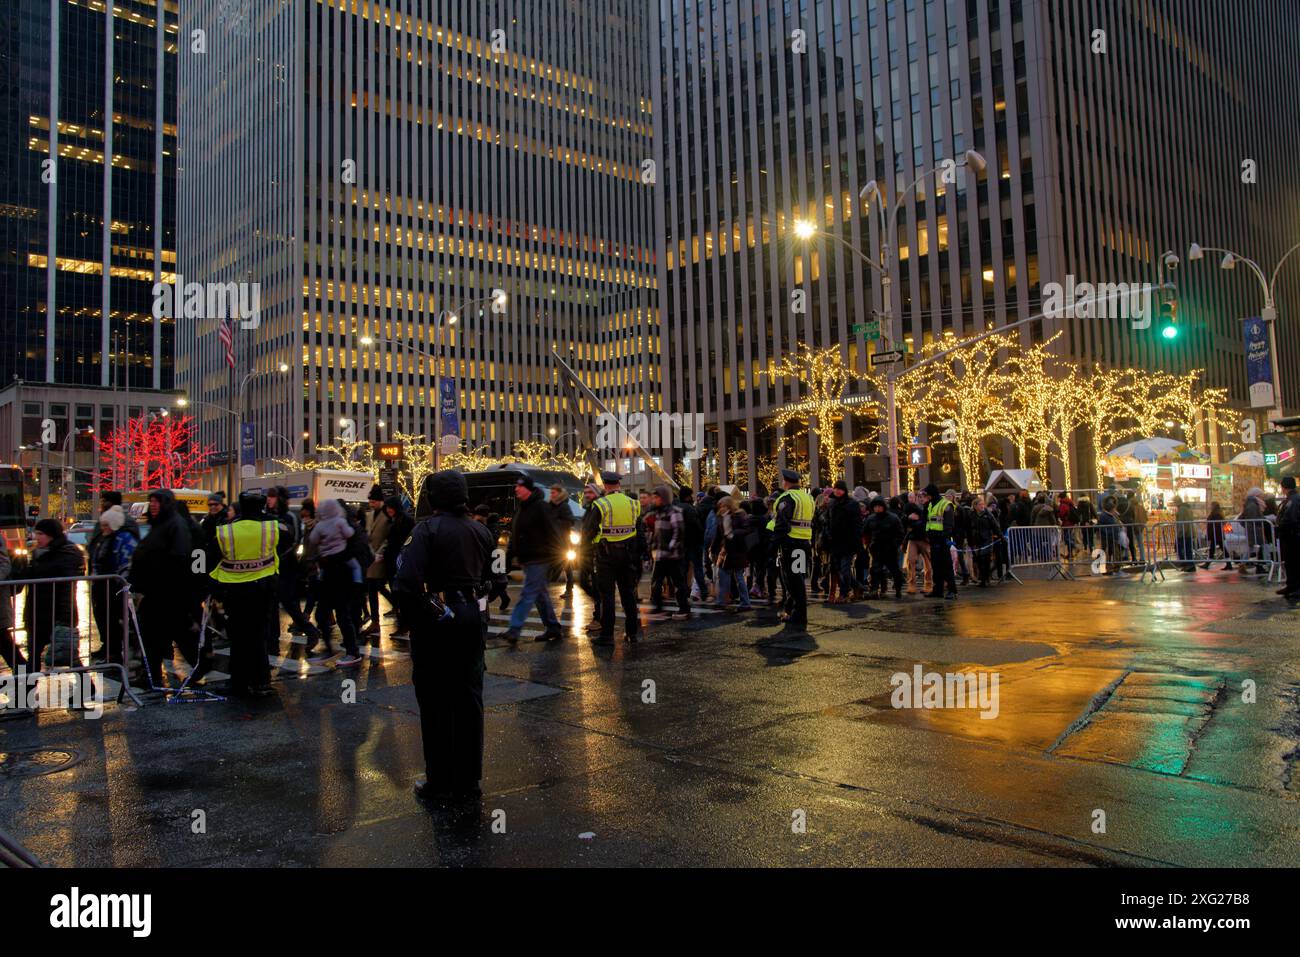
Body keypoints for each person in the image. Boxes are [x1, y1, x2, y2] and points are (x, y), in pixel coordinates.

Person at [393, 469, 495, 806]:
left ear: (433, 498)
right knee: (469, 700)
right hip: (472, 620)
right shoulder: (481, 531)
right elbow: (494, 582)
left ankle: (440, 780)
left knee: (436, 701)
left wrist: (426, 612)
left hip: (439, 621)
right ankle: (469, 779)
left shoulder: (426, 530)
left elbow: (406, 582)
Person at [208, 492, 282, 696]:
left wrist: (212, 585)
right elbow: (287, 542)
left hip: (235, 589)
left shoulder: (225, 532)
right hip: (263, 588)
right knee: (259, 636)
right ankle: (261, 681)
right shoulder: (271, 527)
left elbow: (210, 557)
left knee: (239, 637)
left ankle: (238, 681)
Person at [128, 491, 200, 688]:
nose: (152, 505)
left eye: (157, 501)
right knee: (154, 634)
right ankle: (151, 674)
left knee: (176, 633)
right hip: (156, 590)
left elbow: (180, 556)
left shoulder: (175, 525)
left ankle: (200, 664)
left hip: (168, 590)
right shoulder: (160, 524)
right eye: (151, 501)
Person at [16, 519, 86, 669]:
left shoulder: (66, 552)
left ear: (51, 535)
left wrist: (66, 619)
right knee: (33, 656)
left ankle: (89, 688)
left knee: (68, 656)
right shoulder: (39, 553)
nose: (36, 537)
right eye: (36, 533)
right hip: (37, 612)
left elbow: (67, 587)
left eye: (41, 534)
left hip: (56, 613)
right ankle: (25, 689)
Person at [504, 475, 564, 643]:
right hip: (527, 559)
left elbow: (554, 532)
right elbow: (516, 534)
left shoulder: (540, 507)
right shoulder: (523, 507)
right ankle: (553, 627)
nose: (516, 489)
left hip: (539, 558)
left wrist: (558, 557)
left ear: (528, 489)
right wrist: (510, 557)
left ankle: (514, 629)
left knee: (528, 593)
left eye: (520, 486)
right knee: (540, 595)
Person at [309, 499, 364, 666]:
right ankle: (333, 649)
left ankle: (351, 651)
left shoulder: (329, 526)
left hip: (339, 576)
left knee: (340, 614)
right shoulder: (343, 525)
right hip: (336, 575)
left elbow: (314, 539)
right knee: (326, 614)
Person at [266, 486, 322, 647]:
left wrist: (282, 557)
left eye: (273, 496)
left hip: (287, 567)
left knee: (289, 603)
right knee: (273, 604)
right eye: (269, 496)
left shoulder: (290, 517)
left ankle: (310, 630)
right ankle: (273, 639)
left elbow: (296, 541)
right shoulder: (269, 516)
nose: (269, 499)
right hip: (272, 566)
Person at [591, 471, 641, 645]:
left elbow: (590, 531)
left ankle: (607, 636)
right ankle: (632, 633)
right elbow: (638, 531)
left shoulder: (601, 504)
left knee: (608, 596)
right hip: (627, 555)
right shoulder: (634, 504)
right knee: (628, 594)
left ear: (605, 485)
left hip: (606, 556)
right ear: (619, 485)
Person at [88, 505, 136, 665]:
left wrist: (122, 583)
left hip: (116, 587)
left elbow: (127, 564)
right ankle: (112, 652)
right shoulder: (106, 539)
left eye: (106, 525)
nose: (103, 528)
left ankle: (121, 653)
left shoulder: (124, 539)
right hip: (104, 587)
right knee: (107, 620)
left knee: (118, 621)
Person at [768, 468, 813, 629]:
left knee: (793, 581)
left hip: (791, 544)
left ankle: (799, 615)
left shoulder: (787, 498)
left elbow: (782, 524)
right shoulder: (807, 497)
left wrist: (773, 546)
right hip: (803, 543)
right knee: (798, 578)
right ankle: (798, 612)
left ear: (785, 482)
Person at [648, 485, 691, 618]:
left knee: (678, 583)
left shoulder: (674, 512)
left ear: (663, 498)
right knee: (656, 582)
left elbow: (679, 532)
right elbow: (657, 533)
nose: (654, 500)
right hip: (660, 554)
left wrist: (670, 546)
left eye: (656, 497)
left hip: (673, 555)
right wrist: (653, 546)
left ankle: (684, 608)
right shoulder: (659, 513)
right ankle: (658, 607)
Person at [712, 495, 752, 611]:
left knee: (739, 577)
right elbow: (718, 535)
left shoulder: (739, 515)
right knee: (723, 575)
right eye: (721, 506)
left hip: (738, 550)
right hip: (727, 551)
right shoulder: (721, 517)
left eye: (724, 505)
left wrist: (734, 533)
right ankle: (721, 601)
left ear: (729, 505)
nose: (722, 508)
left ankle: (745, 603)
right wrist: (713, 548)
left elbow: (747, 529)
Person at [383, 497, 415, 638]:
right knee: (397, 595)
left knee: (402, 596)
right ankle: (403, 623)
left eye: (390, 507)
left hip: (399, 562)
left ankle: (405, 623)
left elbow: (406, 541)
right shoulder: (394, 520)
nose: (388, 510)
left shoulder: (405, 520)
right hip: (393, 561)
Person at [362, 486, 391, 635]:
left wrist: (380, 552)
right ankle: (375, 621)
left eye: (374, 501)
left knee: (379, 587)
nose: (371, 504)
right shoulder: (369, 515)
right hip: (370, 558)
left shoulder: (387, 516)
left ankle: (396, 608)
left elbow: (388, 538)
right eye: (370, 501)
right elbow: (368, 533)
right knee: (372, 590)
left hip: (381, 558)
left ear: (380, 501)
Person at [827, 480, 862, 603]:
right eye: (836, 488)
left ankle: (844, 593)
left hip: (848, 541)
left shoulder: (852, 504)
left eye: (840, 489)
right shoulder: (831, 503)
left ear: (844, 490)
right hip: (835, 542)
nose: (837, 491)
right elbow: (829, 522)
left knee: (845, 568)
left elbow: (857, 524)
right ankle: (856, 587)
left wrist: (857, 542)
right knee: (839, 569)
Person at [864, 497, 904, 598]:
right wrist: (868, 544)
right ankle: (874, 589)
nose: (877, 508)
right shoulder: (871, 518)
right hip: (876, 549)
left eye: (879, 506)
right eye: (875, 507)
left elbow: (900, 533)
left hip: (890, 549)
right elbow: (865, 532)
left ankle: (898, 589)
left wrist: (895, 544)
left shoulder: (893, 518)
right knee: (875, 570)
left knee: (894, 570)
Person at [924, 484, 958, 600]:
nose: (926, 497)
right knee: (936, 566)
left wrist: (943, 537)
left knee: (946, 566)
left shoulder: (946, 505)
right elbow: (929, 522)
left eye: (927, 494)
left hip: (942, 540)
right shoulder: (930, 505)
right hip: (933, 540)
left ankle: (952, 591)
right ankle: (938, 589)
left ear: (931, 494)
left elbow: (949, 525)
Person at [546, 484, 576, 597]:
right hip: (551, 541)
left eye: (553, 492)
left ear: (559, 493)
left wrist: (555, 524)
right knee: (558, 565)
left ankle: (569, 588)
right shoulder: (550, 506)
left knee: (566, 565)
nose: (551, 495)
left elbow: (570, 521)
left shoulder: (564, 506)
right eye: (551, 493)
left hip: (562, 541)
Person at [902, 493, 931, 594]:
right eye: (919, 497)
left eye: (922, 497)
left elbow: (926, 521)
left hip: (924, 538)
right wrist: (909, 518)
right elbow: (903, 520)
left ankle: (928, 584)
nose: (921, 499)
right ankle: (912, 584)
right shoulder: (910, 508)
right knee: (911, 560)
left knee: (928, 563)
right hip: (914, 538)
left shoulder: (928, 507)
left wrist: (913, 522)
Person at [969, 497, 1002, 587]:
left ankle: (986, 579)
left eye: (983, 504)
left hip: (986, 539)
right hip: (976, 540)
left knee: (986, 559)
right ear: (975, 506)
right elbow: (968, 527)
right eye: (980, 504)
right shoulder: (971, 515)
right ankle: (982, 579)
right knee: (979, 560)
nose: (982, 506)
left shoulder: (988, 514)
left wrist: (1000, 536)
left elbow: (995, 525)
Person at [1276, 477, 1299, 600]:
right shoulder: (1291, 499)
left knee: (1293, 561)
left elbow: (1291, 518)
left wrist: (1281, 527)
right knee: (1290, 562)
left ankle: (1295, 586)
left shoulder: (1293, 500)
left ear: (1284, 487)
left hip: (1292, 536)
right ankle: (1291, 585)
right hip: (1290, 535)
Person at [1202, 501, 1228, 570]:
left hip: (1215, 534)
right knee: (1220, 549)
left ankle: (1207, 564)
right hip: (1217, 534)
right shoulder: (1218, 514)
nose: (1210, 507)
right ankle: (1229, 564)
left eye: (1211, 505)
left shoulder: (1215, 514)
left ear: (1213, 506)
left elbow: (1214, 524)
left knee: (1214, 549)